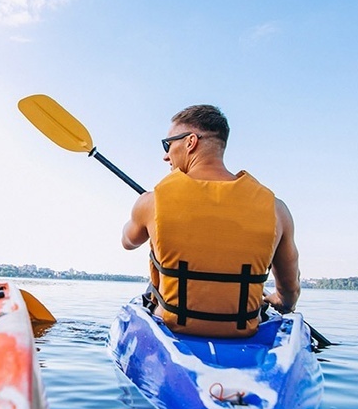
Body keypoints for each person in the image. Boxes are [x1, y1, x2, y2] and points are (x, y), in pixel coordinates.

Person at [121, 104, 299, 338]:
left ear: (190, 142)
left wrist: (147, 205)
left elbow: (128, 241)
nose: (165, 155)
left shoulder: (151, 203)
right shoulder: (277, 209)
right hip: (244, 334)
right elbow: (290, 290)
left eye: (168, 144)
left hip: (172, 328)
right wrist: (281, 302)